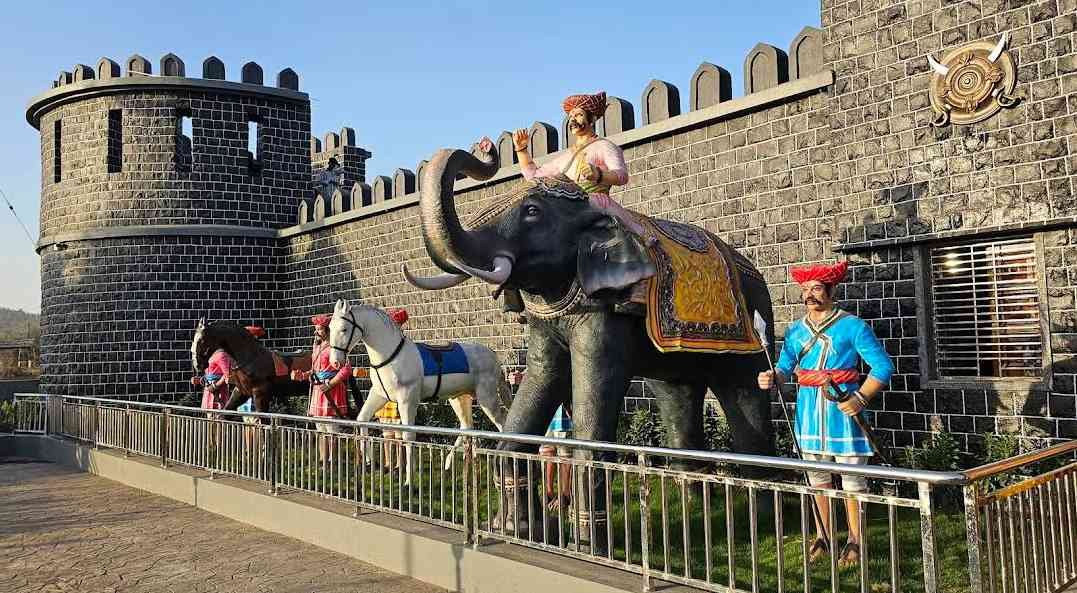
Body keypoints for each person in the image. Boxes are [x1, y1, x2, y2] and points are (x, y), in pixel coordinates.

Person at [757, 260, 894, 567]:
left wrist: (860, 397)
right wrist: (771, 377)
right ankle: (823, 535)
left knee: (852, 480)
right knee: (817, 478)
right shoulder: (794, 331)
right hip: (808, 415)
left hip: (842, 413)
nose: (810, 295)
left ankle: (855, 540)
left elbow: (883, 366)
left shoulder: (853, 326)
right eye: (805, 289)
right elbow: (785, 368)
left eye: (816, 288)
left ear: (830, 290)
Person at [509, 91, 651, 240]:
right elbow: (534, 176)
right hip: (569, 206)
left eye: (578, 115)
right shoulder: (565, 158)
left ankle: (644, 240)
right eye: (571, 117)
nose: (573, 120)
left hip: (597, 203)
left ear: (592, 118)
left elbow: (622, 176)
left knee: (633, 231)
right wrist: (522, 150)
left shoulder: (604, 146)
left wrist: (598, 174)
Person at [308, 314, 352, 465]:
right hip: (318, 388)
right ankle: (322, 458)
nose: (316, 332)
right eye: (316, 329)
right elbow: (314, 369)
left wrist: (331, 383)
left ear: (326, 330)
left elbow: (346, 369)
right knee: (320, 429)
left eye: (319, 329)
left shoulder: (335, 347)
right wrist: (305, 375)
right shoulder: (317, 347)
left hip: (331, 389)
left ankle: (334, 459)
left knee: (332, 428)